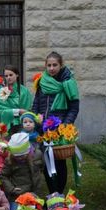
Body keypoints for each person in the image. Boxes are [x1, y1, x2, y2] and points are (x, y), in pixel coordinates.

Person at [32, 51, 80, 194]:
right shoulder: (42, 82)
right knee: (47, 163)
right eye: (49, 65)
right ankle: (52, 194)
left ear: (61, 65)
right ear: (45, 66)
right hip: (44, 130)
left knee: (59, 162)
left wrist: (64, 126)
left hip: (60, 131)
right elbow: (36, 104)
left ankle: (60, 192)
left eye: (55, 65)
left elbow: (74, 108)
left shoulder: (68, 83)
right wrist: (36, 119)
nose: (51, 68)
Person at [0, 133, 43, 210]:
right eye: (16, 156)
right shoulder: (10, 160)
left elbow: (41, 168)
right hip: (18, 195)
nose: (19, 158)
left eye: (22, 155)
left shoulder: (37, 154)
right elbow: (3, 175)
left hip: (34, 193)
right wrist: (11, 189)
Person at [0, 65, 32, 134]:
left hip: (22, 125)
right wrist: (16, 111)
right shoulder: (2, 91)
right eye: (6, 76)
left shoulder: (24, 91)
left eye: (11, 75)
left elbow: (27, 108)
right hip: (6, 125)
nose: (8, 78)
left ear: (17, 75)